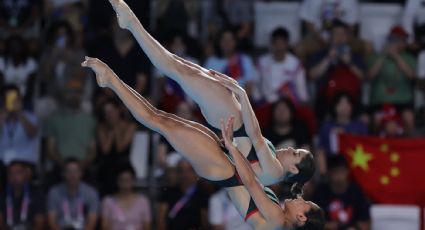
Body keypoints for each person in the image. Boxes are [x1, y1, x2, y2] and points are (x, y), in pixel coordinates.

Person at [82, 55, 324, 229]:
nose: (300, 200)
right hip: (225, 165)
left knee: (160, 122)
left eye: (305, 204)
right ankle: (110, 80)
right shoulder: (278, 214)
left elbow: (250, 182)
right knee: (162, 119)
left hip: (223, 169)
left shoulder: (277, 222)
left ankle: (111, 80)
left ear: (301, 218)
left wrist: (231, 145)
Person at [107, 0, 315, 188]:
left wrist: (241, 93)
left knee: (175, 67)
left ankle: (132, 23)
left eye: (295, 154)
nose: (290, 148)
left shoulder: (276, 171)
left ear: (294, 170)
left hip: (229, 115)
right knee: (178, 66)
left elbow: (256, 138)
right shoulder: (273, 170)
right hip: (228, 116)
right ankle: (130, 25)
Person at [309, 20, 364, 120]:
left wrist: (349, 63)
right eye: (336, 34)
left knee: (364, 118)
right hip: (326, 100)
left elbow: (362, 76)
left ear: (347, 37)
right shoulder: (320, 54)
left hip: (351, 98)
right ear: (330, 37)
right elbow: (312, 75)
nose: (339, 38)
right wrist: (328, 59)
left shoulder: (355, 55)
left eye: (342, 34)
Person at [44, 79, 96, 171]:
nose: (73, 96)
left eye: (77, 92)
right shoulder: (54, 118)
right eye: (69, 92)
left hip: (83, 168)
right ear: (64, 95)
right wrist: (66, 166)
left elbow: (93, 150)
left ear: (81, 95)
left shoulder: (90, 120)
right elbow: (50, 149)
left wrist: (79, 167)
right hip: (60, 167)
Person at [313, 155, 370, 230]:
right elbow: (310, 222)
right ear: (329, 173)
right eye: (335, 172)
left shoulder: (356, 192)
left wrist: (356, 227)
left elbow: (366, 222)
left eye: (341, 172)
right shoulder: (320, 193)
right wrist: (327, 225)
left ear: (347, 171)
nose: (339, 177)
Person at [316, 93, 367, 175]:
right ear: (334, 107)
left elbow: (366, 148)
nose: (344, 107)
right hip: (332, 169)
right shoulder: (326, 127)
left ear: (352, 107)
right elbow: (321, 151)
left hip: (356, 167)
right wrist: (323, 172)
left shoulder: (361, 127)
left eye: (347, 103)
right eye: (340, 103)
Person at [96, 99, 137, 196]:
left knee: (121, 173)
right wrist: (111, 130)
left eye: (111, 111)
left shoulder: (130, 126)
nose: (109, 115)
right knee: (105, 173)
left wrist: (116, 127)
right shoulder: (101, 128)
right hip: (107, 164)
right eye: (106, 112)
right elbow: (105, 150)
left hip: (124, 162)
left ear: (118, 111)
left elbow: (120, 148)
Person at [258, 27, 309, 105]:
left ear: (287, 44)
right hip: (267, 104)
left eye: (281, 44)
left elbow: (301, 91)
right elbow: (256, 88)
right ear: (272, 44)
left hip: (289, 106)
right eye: (276, 44)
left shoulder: (296, 64)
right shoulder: (262, 62)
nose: (279, 48)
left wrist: (303, 102)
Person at [47, 158, 99, 230]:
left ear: (81, 173)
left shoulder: (91, 193)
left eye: (75, 171)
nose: (72, 175)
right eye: (69, 171)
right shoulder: (54, 192)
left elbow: (91, 224)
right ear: (63, 174)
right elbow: (52, 223)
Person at [204, 28, 258, 98]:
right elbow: (206, 85)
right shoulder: (211, 61)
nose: (227, 43)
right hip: (216, 100)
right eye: (224, 40)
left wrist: (238, 101)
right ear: (219, 43)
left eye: (230, 40)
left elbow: (249, 85)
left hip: (240, 101)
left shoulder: (244, 60)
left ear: (235, 42)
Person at [157, 159, 208, 230]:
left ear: (196, 173)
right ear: (177, 173)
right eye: (181, 170)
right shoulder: (169, 193)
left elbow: (205, 223)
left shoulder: (203, 195)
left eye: (189, 170)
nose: (185, 174)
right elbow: (161, 219)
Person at [101, 163, 151, 230]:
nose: (125, 185)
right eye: (122, 180)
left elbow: (147, 227)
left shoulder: (143, 201)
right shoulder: (108, 201)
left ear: (133, 180)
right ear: (117, 181)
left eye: (128, 180)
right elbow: (105, 227)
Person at [0, 85, 39, 165]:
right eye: (7, 98)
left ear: (20, 99)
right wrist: (3, 116)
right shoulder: (1, 116)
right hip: (2, 162)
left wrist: (19, 113)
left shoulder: (31, 117)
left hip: (25, 161)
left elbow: (32, 134)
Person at [0, 161, 45, 230]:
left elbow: (40, 224)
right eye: (10, 173)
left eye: (18, 173)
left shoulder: (36, 194)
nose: (14, 177)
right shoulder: (2, 195)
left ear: (26, 174)